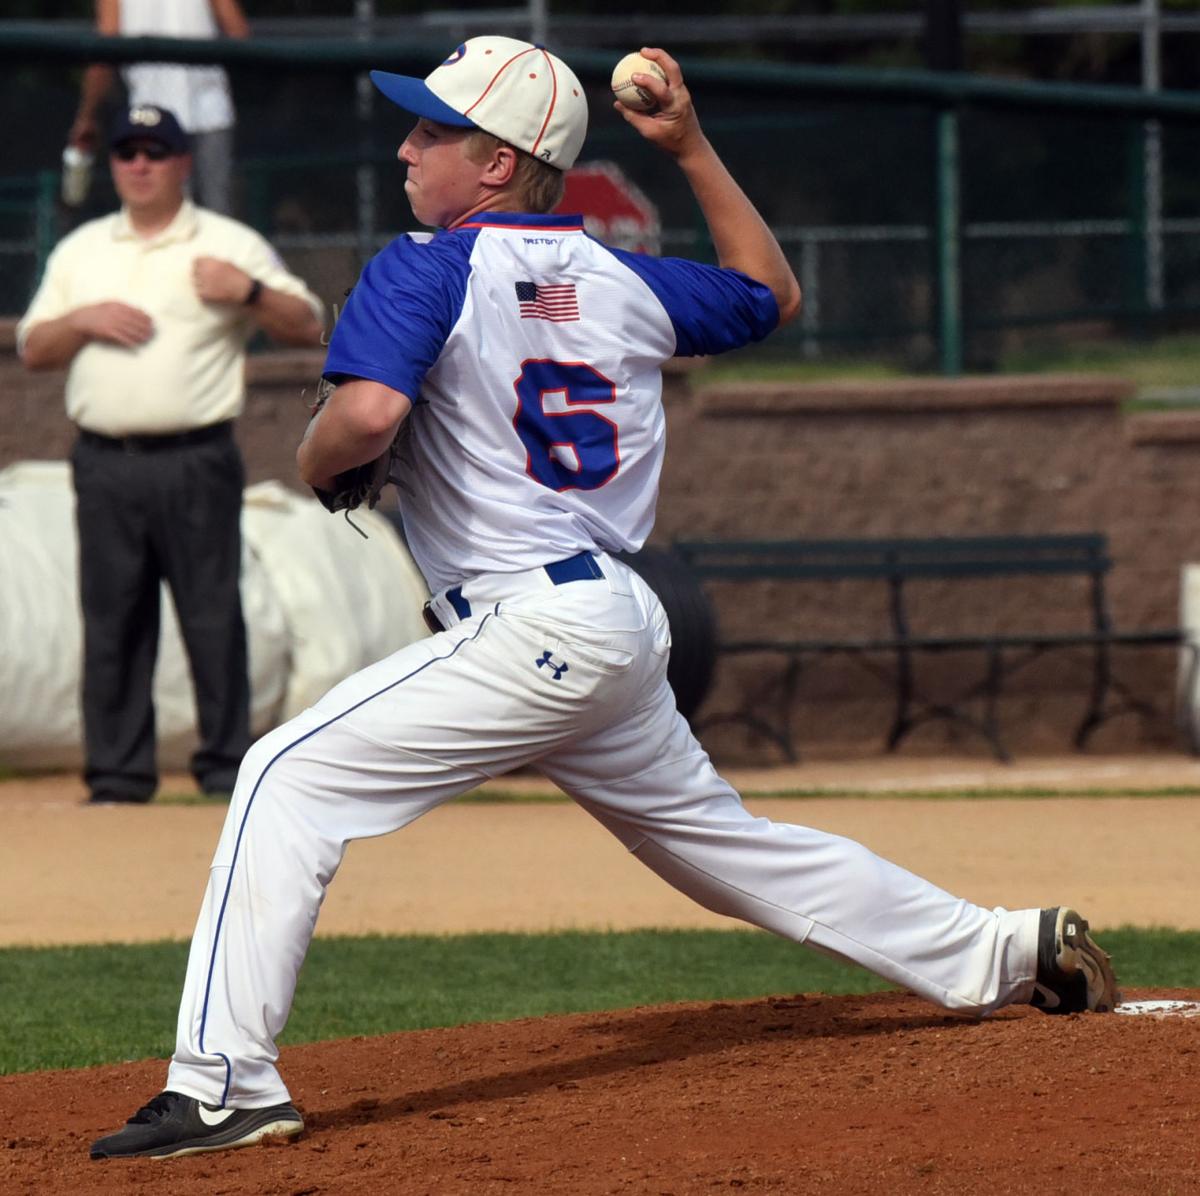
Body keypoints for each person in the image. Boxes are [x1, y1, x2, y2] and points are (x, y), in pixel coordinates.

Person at [87, 39, 1118, 1161]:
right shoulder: (627, 278)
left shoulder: (425, 266)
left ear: (494, 162)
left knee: (285, 777)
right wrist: (690, 147)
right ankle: (1010, 950)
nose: (406, 146)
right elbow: (773, 291)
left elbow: (370, 420)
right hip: (616, 624)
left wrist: (312, 452)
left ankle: (222, 1080)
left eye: (431, 131)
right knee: (726, 846)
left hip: (526, 624)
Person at [18, 103, 324, 806]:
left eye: (157, 152)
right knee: (113, 618)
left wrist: (245, 291)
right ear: (114, 164)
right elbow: (34, 347)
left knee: (213, 613)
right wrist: (81, 320)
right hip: (104, 460)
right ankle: (120, 776)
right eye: (128, 152)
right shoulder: (83, 251)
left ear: (184, 163)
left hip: (197, 456)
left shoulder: (225, 242)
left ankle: (224, 771)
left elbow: (305, 323)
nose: (141, 165)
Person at [68, 0, 249, 215]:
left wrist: (87, 115)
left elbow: (106, 50)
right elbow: (238, 32)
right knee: (216, 216)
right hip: (208, 108)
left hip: (154, 116)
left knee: (162, 216)